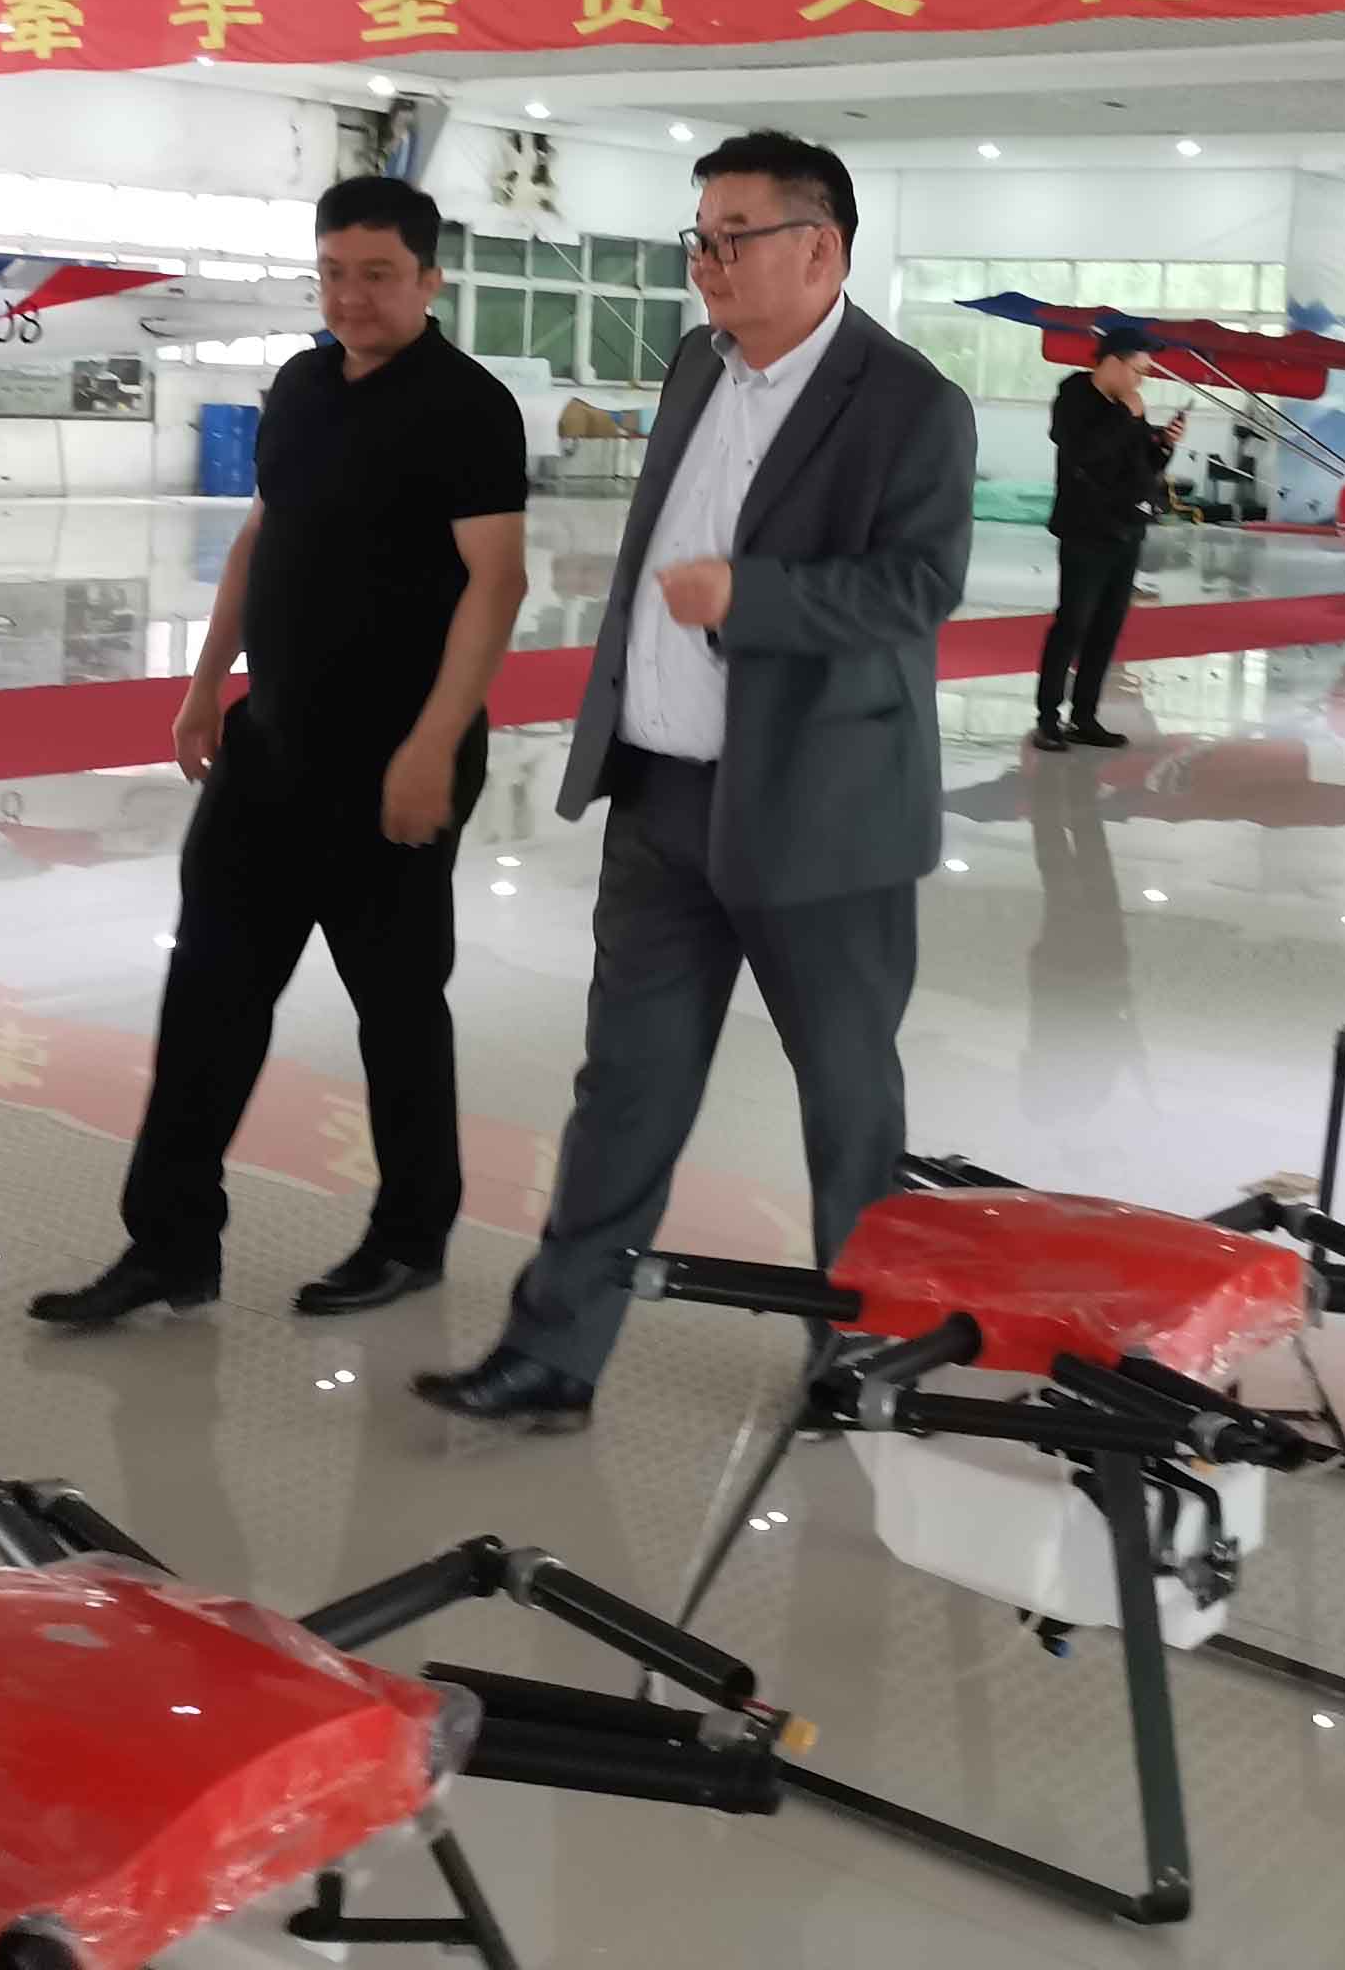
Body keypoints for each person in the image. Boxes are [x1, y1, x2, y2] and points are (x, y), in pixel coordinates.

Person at [417, 130, 974, 1429]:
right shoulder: (692, 366)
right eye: (700, 239)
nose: (706, 263)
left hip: (823, 812)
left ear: (820, 249)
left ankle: (861, 1362)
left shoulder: (909, 402)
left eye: (733, 237)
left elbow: (917, 587)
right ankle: (553, 1354)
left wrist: (751, 599)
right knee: (626, 1087)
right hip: (663, 798)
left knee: (846, 1100)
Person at [28, 177, 525, 1332]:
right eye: (334, 274)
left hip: (396, 761)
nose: (351, 297)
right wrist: (207, 683)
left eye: (378, 275)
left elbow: (496, 583)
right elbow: (263, 534)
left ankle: (409, 1237)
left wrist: (432, 746)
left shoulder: (466, 407)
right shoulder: (300, 385)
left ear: (429, 279)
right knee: (207, 994)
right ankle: (169, 1244)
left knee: (396, 1010)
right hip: (273, 748)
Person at [1034, 328, 1171, 751]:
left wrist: (1164, 445)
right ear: (1113, 361)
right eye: (1138, 370)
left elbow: (1141, 464)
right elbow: (1085, 452)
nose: (1141, 381)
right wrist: (1126, 416)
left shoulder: (1128, 405)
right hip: (1086, 530)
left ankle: (1085, 716)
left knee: (1108, 626)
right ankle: (1048, 718)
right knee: (1073, 623)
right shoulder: (1075, 399)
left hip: (1126, 529)